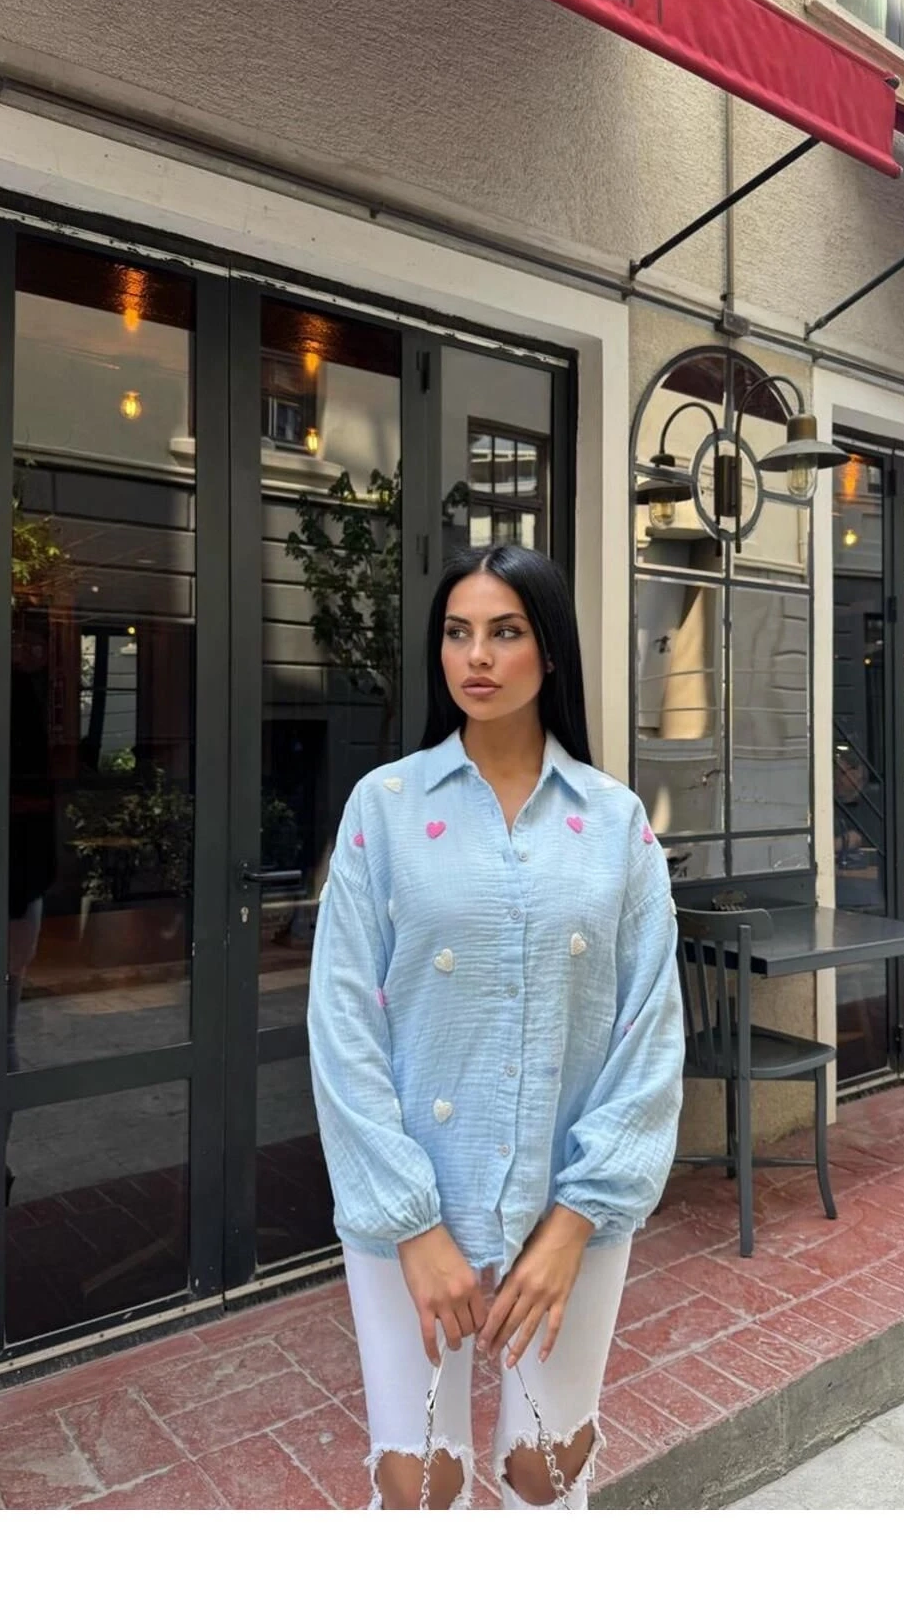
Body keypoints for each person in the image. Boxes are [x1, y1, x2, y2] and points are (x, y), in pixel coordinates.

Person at [308, 544, 684, 1511]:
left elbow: (649, 1032)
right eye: (457, 633)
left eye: (505, 632)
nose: (476, 656)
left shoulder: (615, 823)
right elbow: (343, 1024)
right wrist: (411, 1224)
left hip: (571, 1210)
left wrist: (573, 1224)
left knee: (546, 1471)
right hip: (409, 1203)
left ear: (549, 651)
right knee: (417, 1482)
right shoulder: (384, 810)